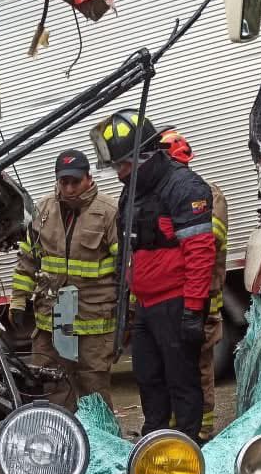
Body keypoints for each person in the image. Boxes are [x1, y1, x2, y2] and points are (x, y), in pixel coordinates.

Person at [91, 110, 216, 442]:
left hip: (175, 302)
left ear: (143, 157)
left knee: (182, 379)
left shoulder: (183, 186)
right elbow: (128, 249)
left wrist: (193, 309)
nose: (119, 174)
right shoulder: (135, 189)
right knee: (147, 376)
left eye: (123, 165)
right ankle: (155, 438)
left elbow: (201, 252)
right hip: (146, 304)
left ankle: (189, 444)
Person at [8, 149, 121, 410]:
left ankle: (102, 444)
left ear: (88, 179)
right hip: (52, 322)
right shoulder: (44, 210)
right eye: (64, 182)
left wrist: (130, 313)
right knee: (54, 387)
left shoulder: (109, 212)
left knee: (95, 393)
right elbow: (28, 258)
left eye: (75, 181)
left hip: (93, 321)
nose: (69, 188)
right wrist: (18, 299)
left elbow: (127, 267)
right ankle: (64, 445)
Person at [159, 129, 228, 441]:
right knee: (174, 369)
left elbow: (210, 240)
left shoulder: (207, 194)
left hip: (202, 301)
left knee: (199, 368)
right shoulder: (162, 194)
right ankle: (181, 427)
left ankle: (202, 431)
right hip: (174, 299)